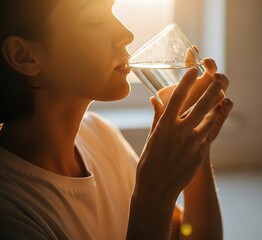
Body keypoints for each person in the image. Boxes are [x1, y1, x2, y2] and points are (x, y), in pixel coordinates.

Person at [0, 0, 233, 239]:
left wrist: (196, 143)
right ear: (24, 55)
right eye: (94, 20)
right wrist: (153, 195)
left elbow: (192, 235)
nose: (126, 34)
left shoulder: (102, 136)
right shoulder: (10, 212)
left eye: (112, 12)